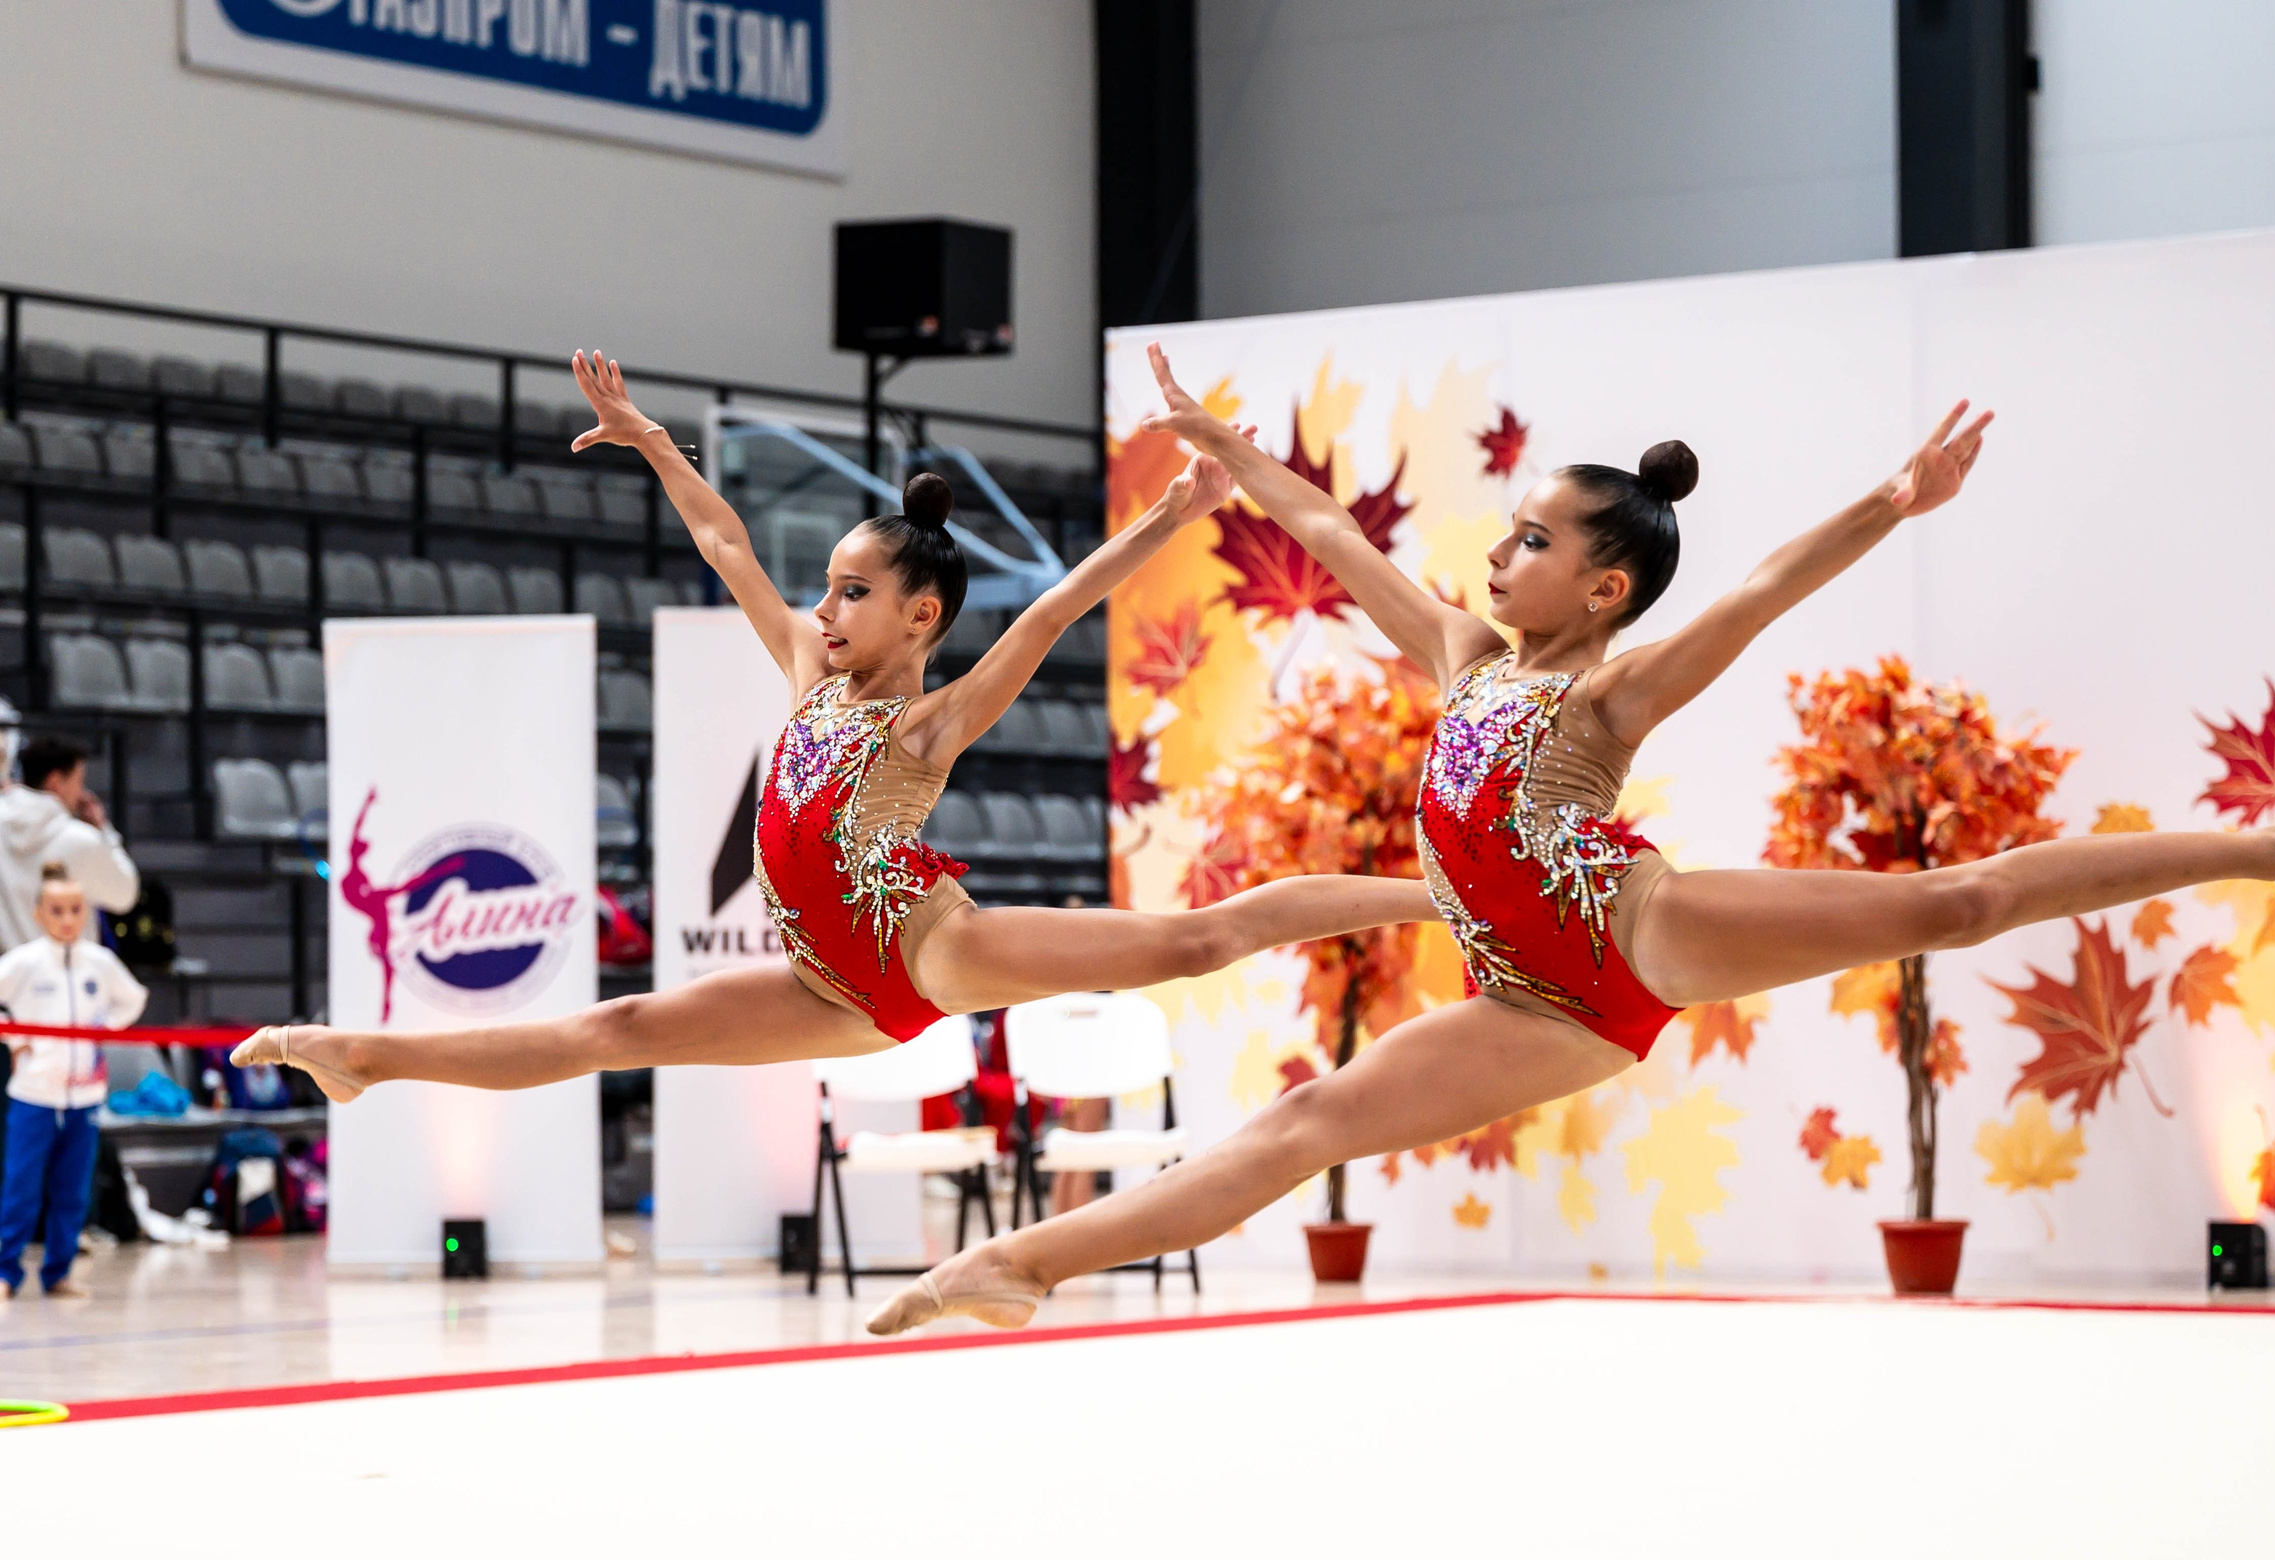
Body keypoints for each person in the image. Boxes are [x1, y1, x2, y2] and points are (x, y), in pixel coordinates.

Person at [859, 345, 2275, 1335]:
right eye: (1513, 526)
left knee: (1957, 903)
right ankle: (1023, 1265)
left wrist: (1892, 500)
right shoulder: (1467, 661)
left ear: (1603, 587)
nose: (1502, 547)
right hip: (1528, 1007)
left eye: (1534, 538)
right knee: (1302, 1126)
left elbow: (1752, 597)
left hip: (1628, 932)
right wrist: (1228, 445)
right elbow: (1336, 536)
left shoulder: (1608, 699)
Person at [230, 350, 1437, 1101]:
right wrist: (653, 443)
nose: (823, 607)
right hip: (825, 985)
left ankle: (1441, 896)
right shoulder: (810, 677)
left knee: (1191, 946)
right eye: (829, 588)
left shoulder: (931, 724)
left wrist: (1171, 517)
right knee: (617, 1027)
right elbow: (726, 546)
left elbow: (1060, 605)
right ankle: (363, 1057)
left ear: (920, 619)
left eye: (852, 593)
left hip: (925, 952)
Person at [0, 862, 148, 1299]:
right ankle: (6, 1272)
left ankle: (59, 1272)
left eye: (75, 910)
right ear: (40, 914)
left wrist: (105, 1027)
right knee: (21, 1188)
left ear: (85, 913)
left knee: (72, 1191)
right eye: (57, 910)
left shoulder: (99, 963)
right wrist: (15, 1039)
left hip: (85, 1095)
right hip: (34, 1094)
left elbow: (134, 1000)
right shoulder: (24, 962)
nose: (67, 919)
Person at [0, 735, 141, 954]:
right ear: (56, 781)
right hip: (66, 980)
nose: (81, 792)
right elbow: (125, 894)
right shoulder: (81, 839)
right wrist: (104, 832)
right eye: (79, 781)